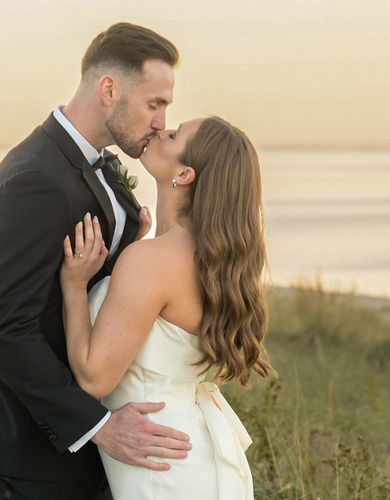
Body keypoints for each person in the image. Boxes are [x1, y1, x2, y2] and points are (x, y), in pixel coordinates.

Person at [0, 22, 193, 499]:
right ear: (109, 89)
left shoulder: (96, 162)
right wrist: (98, 426)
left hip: (91, 444)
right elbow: (3, 330)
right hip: (36, 454)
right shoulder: (32, 180)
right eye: (154, 104)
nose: (161, 121)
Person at [60, 116, 273, 498]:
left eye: (173, 136)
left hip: (161, 465)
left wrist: (75, 287)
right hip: (189, 452)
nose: (160, 130)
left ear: (185, 174)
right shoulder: (212, 260)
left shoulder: (154, 260)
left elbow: (94, 379)